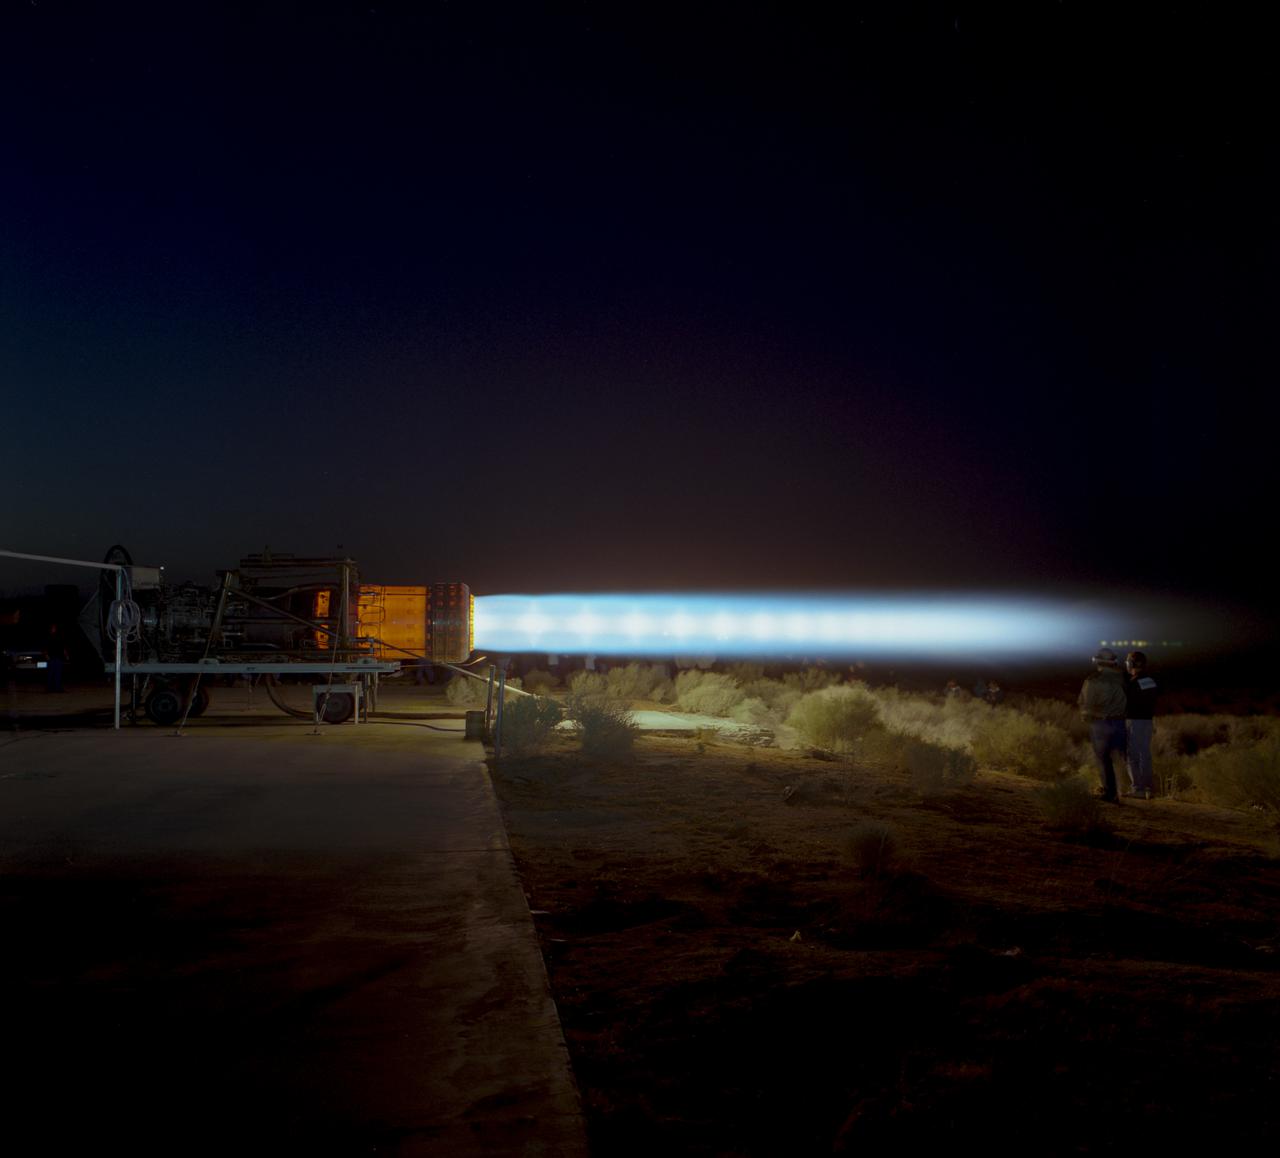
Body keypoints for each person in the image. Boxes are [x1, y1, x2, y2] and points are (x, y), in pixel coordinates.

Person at [1078, 648, 1127, 803]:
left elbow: (1086, 703)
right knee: (1122, 758)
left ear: (1097, 661)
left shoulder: (1093, 680)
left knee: (1103, 759)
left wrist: (1086, 715)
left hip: (1100, 724)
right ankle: (1128, 790)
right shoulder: (1124, 679)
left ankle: (1110, 792)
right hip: (1120, 722)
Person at [1123, 650, 1158, 798]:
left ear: (1132, 664)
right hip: (1148, 721)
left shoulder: (1133, 683)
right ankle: (1149, 789)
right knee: (1145, 755)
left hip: (1135, 722)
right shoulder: (1151, 681)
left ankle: (1138, 789)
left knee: (1132, 756)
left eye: (1127, 662)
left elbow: (1125, 703)